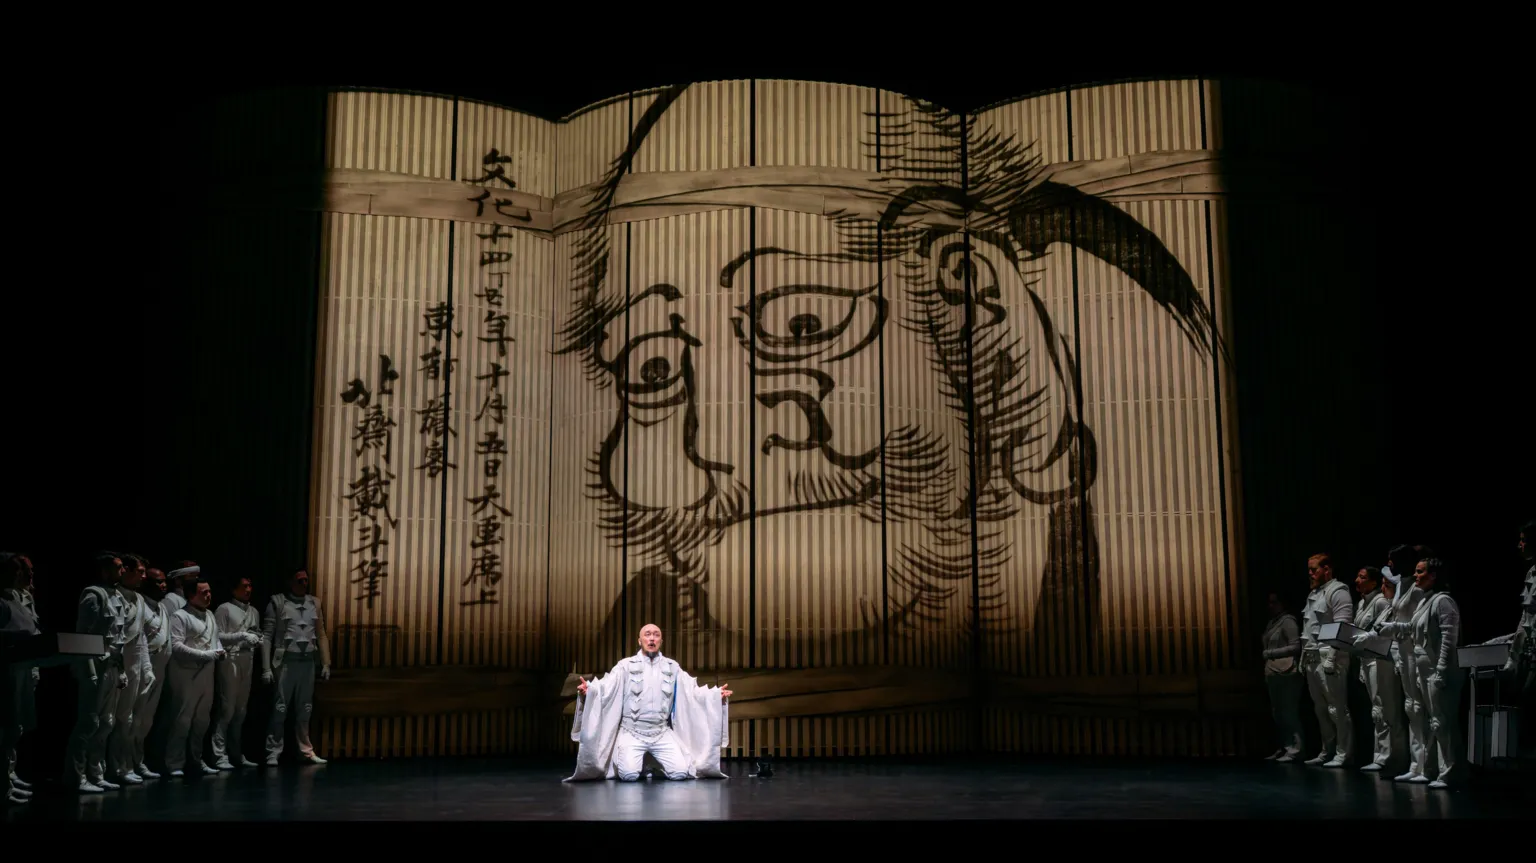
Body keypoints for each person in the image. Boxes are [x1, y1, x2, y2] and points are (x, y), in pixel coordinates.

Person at [566, 623, 732, 782]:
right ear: (640, 641)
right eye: (647, 635)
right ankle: (636, 760)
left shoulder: (672, 667)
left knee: (681, 773)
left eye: (656, 635)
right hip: (632, 732)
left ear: (661, 641)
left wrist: (716, 695)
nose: (652, 638)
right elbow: (606, 687)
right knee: (629, 775)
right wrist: (591, 691)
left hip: (661, 732)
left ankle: (654, 763)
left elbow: (693, 692)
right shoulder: (625, 665)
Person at [64, 552, 144, 793]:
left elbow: (117, 639)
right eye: (118, 568)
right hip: (94, 666)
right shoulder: (93, 594)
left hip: (110, 665)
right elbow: (83, 635)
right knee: (89, 722)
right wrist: (88, 670)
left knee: (107, 722)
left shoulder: (115, 595)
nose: (122, 571)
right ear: (105, 571)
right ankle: (75, 776)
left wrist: (119, 669)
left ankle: (96, 773)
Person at [1375, 544, 1434, 782]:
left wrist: (1394, 630)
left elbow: (1418, 624)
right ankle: (1415, 764)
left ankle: (1427, 765)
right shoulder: (1402, 586)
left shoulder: (1418, 590)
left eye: (1392, 560)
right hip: (1402, 651)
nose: (1389, 564)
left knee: (1420, 708)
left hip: (1416, 651)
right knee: (1411, 707)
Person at [1403, 558, 1463, 789]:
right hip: (1424, 667)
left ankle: (1451, 770)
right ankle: (1434, 769)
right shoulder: (1425, 601)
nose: (1415, 576)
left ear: (1434, 575)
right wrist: (1390, 629)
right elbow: (1412, 628)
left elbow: (1449, 638)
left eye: (1420, 572)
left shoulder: (1443, 601)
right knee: (1433, 721)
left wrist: (1441, 669)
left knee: (1442, 721)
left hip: (1437, 668)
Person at [261, 569, 330, 766]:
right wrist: (266, 668)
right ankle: (273, 750)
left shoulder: (315, 603)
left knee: (305, 708)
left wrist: (326, 662)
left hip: (307, 662)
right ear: (290, 581)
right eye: (300, 580)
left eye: (306, 580)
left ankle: (306, 751)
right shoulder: (277, 602)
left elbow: (321, 633)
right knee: (280, 707)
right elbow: (266, 636)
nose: (304, 583)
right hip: (285, 663)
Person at [1482, 519, 1535, 765]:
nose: (1520, 545)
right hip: (1528, 656)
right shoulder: (1531, 573)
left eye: (1524, 540)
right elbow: (1526, 620)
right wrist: (1507, 648)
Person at [104, 554, 158, 785]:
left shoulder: (139, 599)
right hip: (115, 662)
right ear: (126, 570)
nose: (144, 576)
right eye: (140, 571)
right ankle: (111, 767)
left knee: (130, 718)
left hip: (135, 663)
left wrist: (147, 667)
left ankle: (126, 764)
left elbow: (141, 637)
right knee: (112, 719)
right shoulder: (112, 595)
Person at [164, 572, 225, 778]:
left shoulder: (209, 615)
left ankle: (196, 760)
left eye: (209, 591)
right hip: (186, 674)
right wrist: (206, 654)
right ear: (191, 595)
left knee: (202, 720)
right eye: (203, 592)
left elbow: (215, 638)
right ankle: (174, 762)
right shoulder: (180, 616)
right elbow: (176, 646)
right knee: (182, 719)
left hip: (206, 674)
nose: (209, 595)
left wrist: (218, 650)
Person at [1300, 553, 1354, 767]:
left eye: (1314, 569)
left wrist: (1332, 655)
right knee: (1320, 709)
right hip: (1313, 657)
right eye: (1309, 570)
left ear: (1327, 569)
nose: (1311, 574)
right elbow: (1309, 629)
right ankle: (1327, 749)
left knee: (1337, 707)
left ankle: (1344, 752)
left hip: (1330, 656)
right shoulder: (1314, 593)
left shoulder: (1338, 591)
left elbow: (1343, 625)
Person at [1350, 564, 1403, 774]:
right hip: (1370, 659)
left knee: (1385, 709)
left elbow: (1383, 634)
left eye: (1363, 577)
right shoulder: (1364, 603)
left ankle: (1390, 756)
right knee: (1377, 710)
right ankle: (1381, 755)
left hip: (1383, 659)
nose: (1357, 580)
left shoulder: (1381, 603)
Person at [1, 553, 41, 805]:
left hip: (22, 668)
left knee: (14, 726)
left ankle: (7, 778)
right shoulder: (3, 601)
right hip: (7, 670)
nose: (27, 575)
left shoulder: (17, 598)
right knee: (5, 727)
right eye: (22, 570)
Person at [212, 576, 262, 770]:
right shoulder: (224, 609)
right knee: (227, 708)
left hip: (247, 659)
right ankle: (219, 755)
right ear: (234, 590)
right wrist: (241, 636)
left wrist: (256, 638)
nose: (249, 589)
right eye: (244, 586)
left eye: (250, 585)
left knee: (241, 711)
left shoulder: (254, 611)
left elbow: (256, 632)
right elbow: (217, 636)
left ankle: (236, 752)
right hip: (230, 658)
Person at [127, 565, 171, 780]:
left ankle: (138, 760)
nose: (163, 585)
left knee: (147, 719)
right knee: (133, 717)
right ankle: (125, 763)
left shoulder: (162, 608)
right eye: (157, 582)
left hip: (159, 666)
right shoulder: (140, 604)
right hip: (143, 664)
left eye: (164, 581)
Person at [1260, 592, 1304, 762]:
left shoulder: (1288, 621)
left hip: (1287, 671)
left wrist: (1270, 653)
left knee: (1289, 711)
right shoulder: (1273, 622)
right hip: (1274, 671)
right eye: (1269, 602)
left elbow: (1295, 646)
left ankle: (1296, 748)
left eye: (1274, 602)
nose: (1271, 606)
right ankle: (1285, 746)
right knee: (1278, 712)